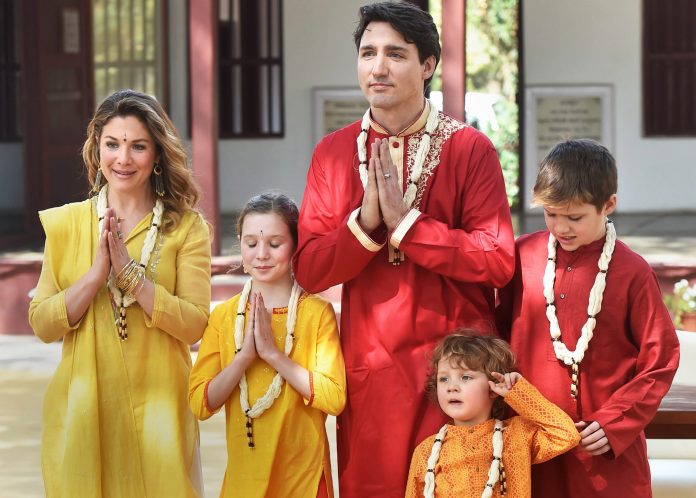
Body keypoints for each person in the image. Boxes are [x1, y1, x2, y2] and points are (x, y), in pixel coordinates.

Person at [292, 2, 515, 496]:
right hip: (372, 367)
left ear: (428, 65)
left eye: (395, 54)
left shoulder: (468, 149)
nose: (378, 67)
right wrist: (367, 224)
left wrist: (410, 227)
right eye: (368, 52)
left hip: (458, 367)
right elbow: (309, 268)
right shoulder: (333, 153)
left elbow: (497, 260)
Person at [28, 89, 211, 497]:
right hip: (84, 411)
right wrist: (95, 277)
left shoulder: (186, 228)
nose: (123, 159)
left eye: (138, 146)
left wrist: (132, 277)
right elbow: (41, 323)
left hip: (161, 408)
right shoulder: (67, 224)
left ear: (158, 154)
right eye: (112, 144)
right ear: (97, 148)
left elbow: (195, 325)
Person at [496, 139, 680, 497]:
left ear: (608, 204)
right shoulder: (522, 256)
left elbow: (660, 361)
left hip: (602, 449)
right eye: (550, 214)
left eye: (575, 217)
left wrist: (615, 422)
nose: (561, 227)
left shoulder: (632, 272)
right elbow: (493, 333)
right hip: (530, 444)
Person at [189, 192, 346, 498]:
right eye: (251, 243)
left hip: (304, 481)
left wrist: (274, 355)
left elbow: (334, 398)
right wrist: (243, 358)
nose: (261, 254)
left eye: (274, 244)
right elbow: (199, 403)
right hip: (244, 483)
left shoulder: (315, 313)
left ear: (295, 245)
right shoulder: (224, 317)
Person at [405, 333, 579, 498]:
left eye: (465, 377)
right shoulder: (426, 451)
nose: (452, 387)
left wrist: (518, 392)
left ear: (493, 387)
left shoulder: (518, 434)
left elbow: (566, 434)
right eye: (443, 379)